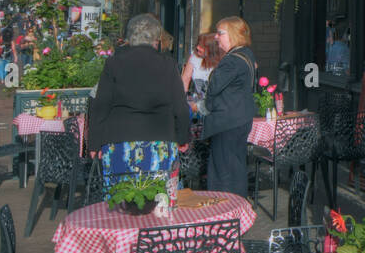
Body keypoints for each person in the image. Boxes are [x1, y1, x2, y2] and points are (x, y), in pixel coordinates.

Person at [86, 13, 191, 189]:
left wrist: (94, 143)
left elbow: (101, 106)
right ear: (156, 39)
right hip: (159, 142)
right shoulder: (168, 64)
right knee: (158, 199)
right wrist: (182, 138)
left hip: (119, 140)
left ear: (130, 37)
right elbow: (180, 107)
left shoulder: (114, 63)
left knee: (120, 199)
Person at [200, 16, 258, 199]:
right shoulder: (246, 55)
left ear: (233, 34)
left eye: (220, 33)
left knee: (222, 174)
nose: (216, 37)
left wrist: (203, 107)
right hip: (240, 120)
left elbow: (213, 88)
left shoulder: (232, 60)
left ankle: (225, 216)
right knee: (236, 169)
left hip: (227, 123)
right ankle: (238, 213)